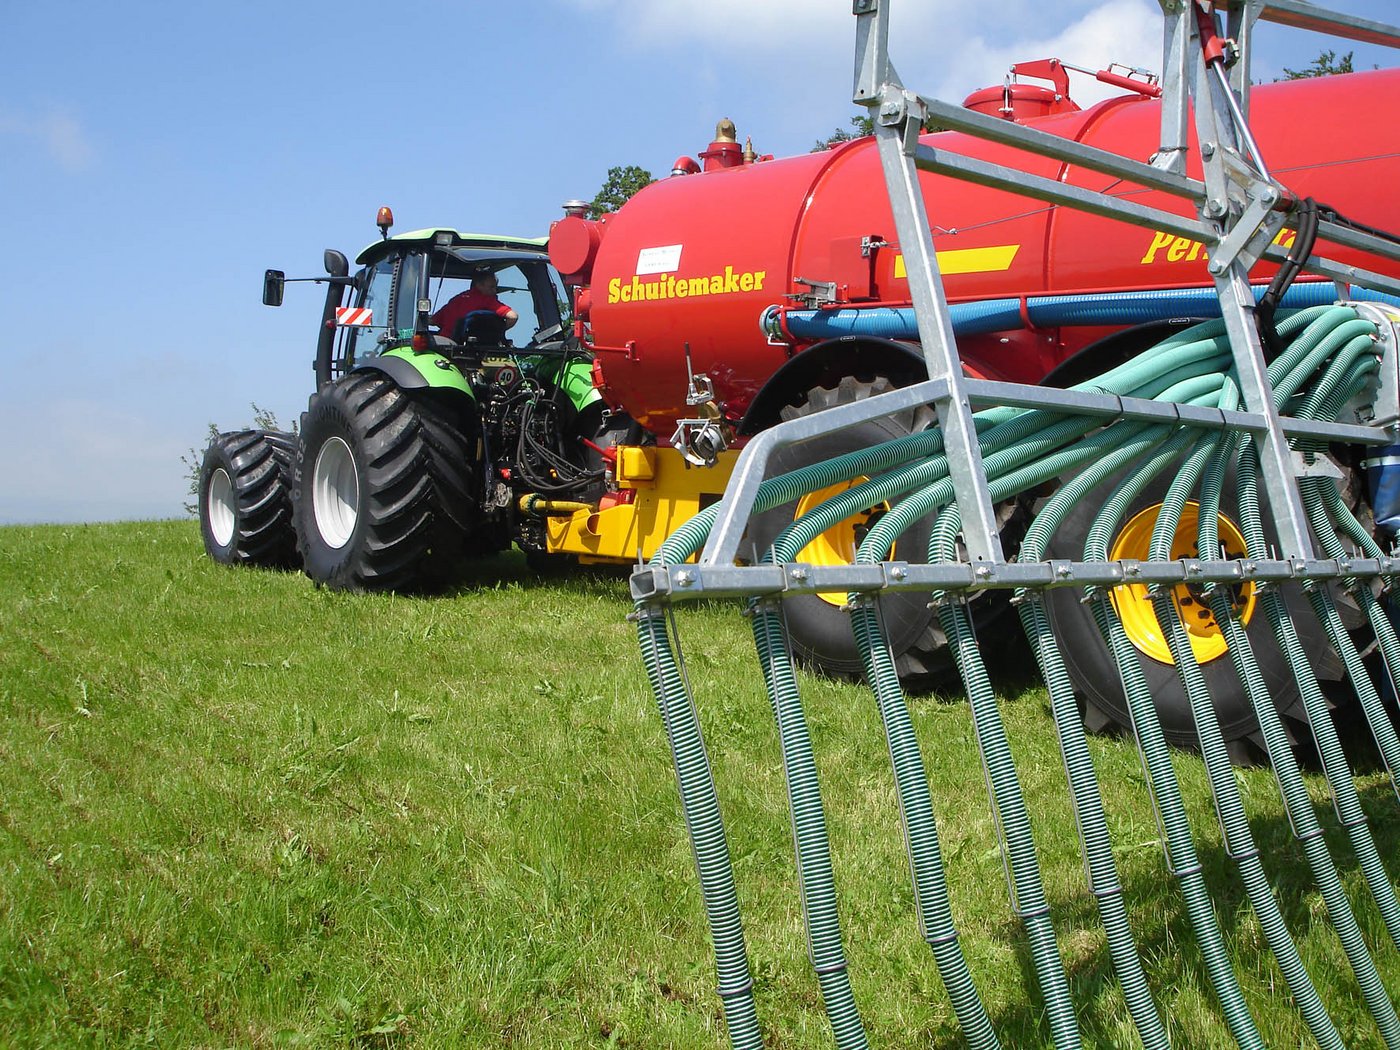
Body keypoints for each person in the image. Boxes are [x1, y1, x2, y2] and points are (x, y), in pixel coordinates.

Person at [431, 271, 519, 340]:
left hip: (444, 345)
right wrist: (495, 332)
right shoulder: (487, 300)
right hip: (473, 350)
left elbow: (433, 320)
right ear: (479, 285)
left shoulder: (456, 299)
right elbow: (513, 317)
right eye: (491, 287)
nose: (495, 291)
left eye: (495, 287)